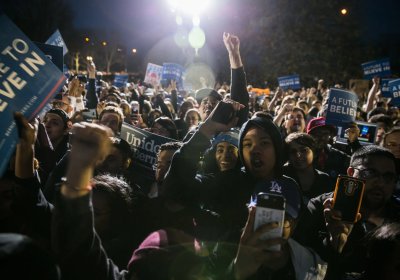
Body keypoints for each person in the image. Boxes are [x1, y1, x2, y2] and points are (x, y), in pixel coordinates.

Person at [296, 145, 400, 279]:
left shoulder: (397, 213)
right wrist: (332, 242)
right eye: (370, 173)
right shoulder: (321, 207)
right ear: (351, 173)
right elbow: (302, 263)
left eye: (388, 177)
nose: (380, 182)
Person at [283, 132, 334, 204]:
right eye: (293, 151)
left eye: (303, 150)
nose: (298, 155)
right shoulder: (282, 176)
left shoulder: (324, 179)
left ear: (314, 152)